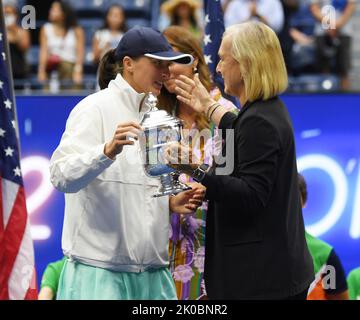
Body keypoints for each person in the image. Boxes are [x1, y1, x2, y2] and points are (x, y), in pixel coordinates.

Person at [49, 26, 205, 300]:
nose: (167, 73)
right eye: (158, 64)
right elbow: (60, 175)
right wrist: (105, 151)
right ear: (128, 64)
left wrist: (169, 203)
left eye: (168, 65)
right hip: (99, 274)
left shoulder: (158, 117)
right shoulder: (93, 108)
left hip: (155, 276)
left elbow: (142, 188)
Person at [166, 21, 314, 299]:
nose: (218, 68)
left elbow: (250, 196)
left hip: (262, 282)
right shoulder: (264, 111)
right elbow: (242, 133)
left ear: (245, 64)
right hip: (269, 274)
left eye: (223, 59)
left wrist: (194, 170)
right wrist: (210, 108)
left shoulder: (260, 120)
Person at [159, 25, 235, 300]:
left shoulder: (224, 113)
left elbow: (232, 180)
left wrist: (200, 181)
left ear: (194, 60)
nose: (165, 69)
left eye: (174, 59)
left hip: (213, 243)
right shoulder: (158, 116)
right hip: (165, 246)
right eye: (160, 62)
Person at [298, 174, 349, 300]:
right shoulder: (251, 251)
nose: (285, 203)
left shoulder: (325, 255)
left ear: (303, 201)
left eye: (292, 196)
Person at [310, 0, 356, 90]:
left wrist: (337, 25)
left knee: (344, 70)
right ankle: (323, 100)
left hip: (344, 31)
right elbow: (314, 8)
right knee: (323, 70)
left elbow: (351, 6)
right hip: (322, 32)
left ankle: (345, 100)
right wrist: (330, 24)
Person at [38, 1, 85, 90]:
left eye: (55, 10)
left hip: (71, 68)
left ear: (64, 14)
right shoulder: (45, 28)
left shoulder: (77, 30)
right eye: (51, 9)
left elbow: (80, 52)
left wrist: (78, 71)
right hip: (51, 68)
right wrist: (42, 70)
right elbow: (43, 51)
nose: (51, 11)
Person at [4, 1, 31, 83]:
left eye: (9, 13)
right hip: (3, 72)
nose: (7, 16)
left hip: (19, 72)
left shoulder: (22, 31)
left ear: (15, 15)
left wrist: (14, 31)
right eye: (5, 14)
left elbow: (24, 47)